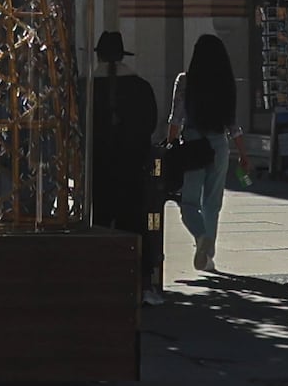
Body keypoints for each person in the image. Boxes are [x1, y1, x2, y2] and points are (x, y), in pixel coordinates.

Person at [86, 30, 163, 259]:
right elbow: (150, 124)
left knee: (99, 219)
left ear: (98, 56)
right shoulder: (140, 87)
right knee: (133, 220)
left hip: (98, 168)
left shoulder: (87, 87)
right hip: (132, 167)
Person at [174, 28, 239, 277]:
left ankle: (200, 236)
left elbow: (175, 118)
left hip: (193, 143)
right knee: (213, 203)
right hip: (219, 144)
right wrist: (243, 154)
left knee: (189, 202)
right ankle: (207, 254)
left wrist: (170, 143)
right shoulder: (226, 83)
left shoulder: (185, 80)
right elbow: (233, 124)